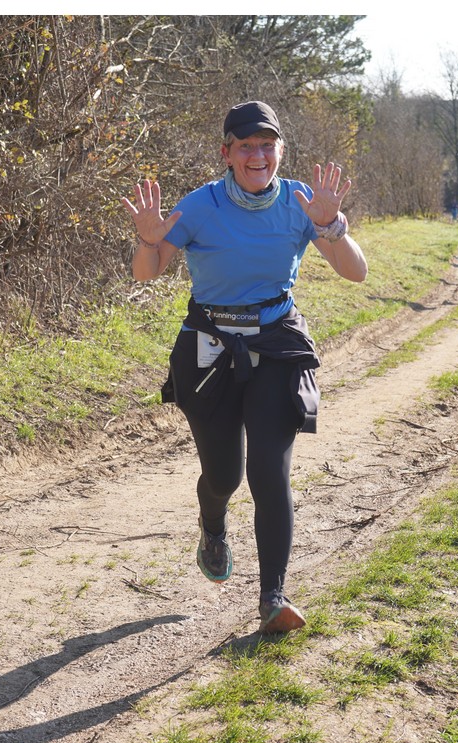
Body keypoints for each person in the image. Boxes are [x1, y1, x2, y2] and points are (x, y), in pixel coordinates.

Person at [120, 100, 368, 634]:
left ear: (281, 150)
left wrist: (330, 226)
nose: (258, 155)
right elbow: (147, 273)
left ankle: (273, 597)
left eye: (267, 145)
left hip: (277, 344)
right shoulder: (201, 205)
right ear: (227, 153)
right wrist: (148, 239)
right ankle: (213, 524)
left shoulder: (302, 203)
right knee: (224, 475)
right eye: (246, 146)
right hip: (209, 347)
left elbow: (356, 272)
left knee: (269, 471)